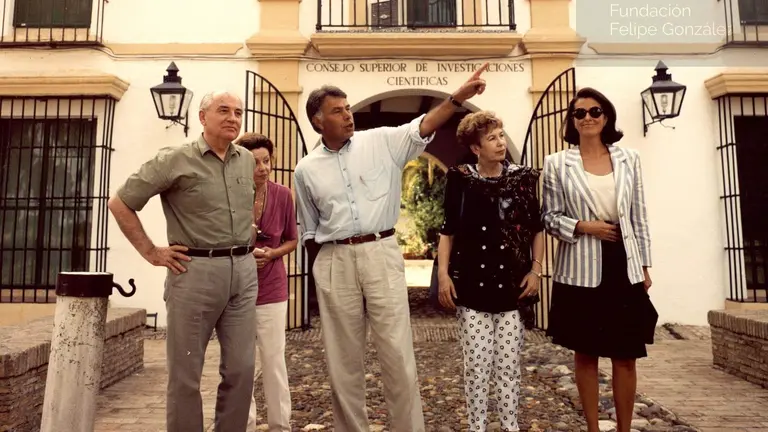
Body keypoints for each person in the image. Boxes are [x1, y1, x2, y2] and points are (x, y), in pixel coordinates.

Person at [293, 64, 490, 431]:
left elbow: (425, 125)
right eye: (337, 111)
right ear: (318, 122)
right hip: (334, 257)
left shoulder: (381, 140)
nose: (348, 115)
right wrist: (326, 263)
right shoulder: (305, 170)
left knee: (398, 353)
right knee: (342, 359)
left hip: (380, 251)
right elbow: (308, 227)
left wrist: (457, 98)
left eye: (348, 107)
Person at [108, 91, 259, 432]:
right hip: (194, 274)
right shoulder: (173, 159)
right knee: (186, 376)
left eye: (238, 112)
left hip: (244, 273)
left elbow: (248, 202)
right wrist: (151, 252)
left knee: (241, 368)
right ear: (203, 117)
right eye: (224, 110)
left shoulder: (246, 160)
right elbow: (120, 203)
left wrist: (247, 237)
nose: (233, 117)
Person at [541, 87, 657, 432]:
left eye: (595, 111)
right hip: (579, 267)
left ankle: (623, 428)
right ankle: (592, 428)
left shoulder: (628, 158)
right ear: (572, 120)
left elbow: (639, 215)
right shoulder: (557, 163)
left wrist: (645, 267)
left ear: (606, 117)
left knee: (626, 354)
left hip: (624, 263)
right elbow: (548, 217)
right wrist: (582, 226)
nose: (588, 118)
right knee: (586, 353)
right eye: (580, 113)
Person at [436, 111, 545, 432]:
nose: (500, 143)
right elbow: (448, 231)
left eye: (501, 135)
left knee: (510, 366)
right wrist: (444, 274)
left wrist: (536, 270)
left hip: (513, 287)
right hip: (472, 287)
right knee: (477, 367)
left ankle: (510, 427)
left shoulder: (523, 179)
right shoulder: (459, 179)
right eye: (492, 138)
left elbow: (536, 228)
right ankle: (478, 427)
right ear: (476, 149)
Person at [237, 133, 298, 432]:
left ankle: (280, 426)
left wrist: (273, 253)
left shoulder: (284, 195)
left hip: (273, 290)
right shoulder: (231, 195)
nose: (262, 168)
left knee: (274, 362)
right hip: (237, 291)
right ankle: (245, 424)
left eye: (266, 161)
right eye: (255, 162)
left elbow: (293, 239)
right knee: (241, 365)